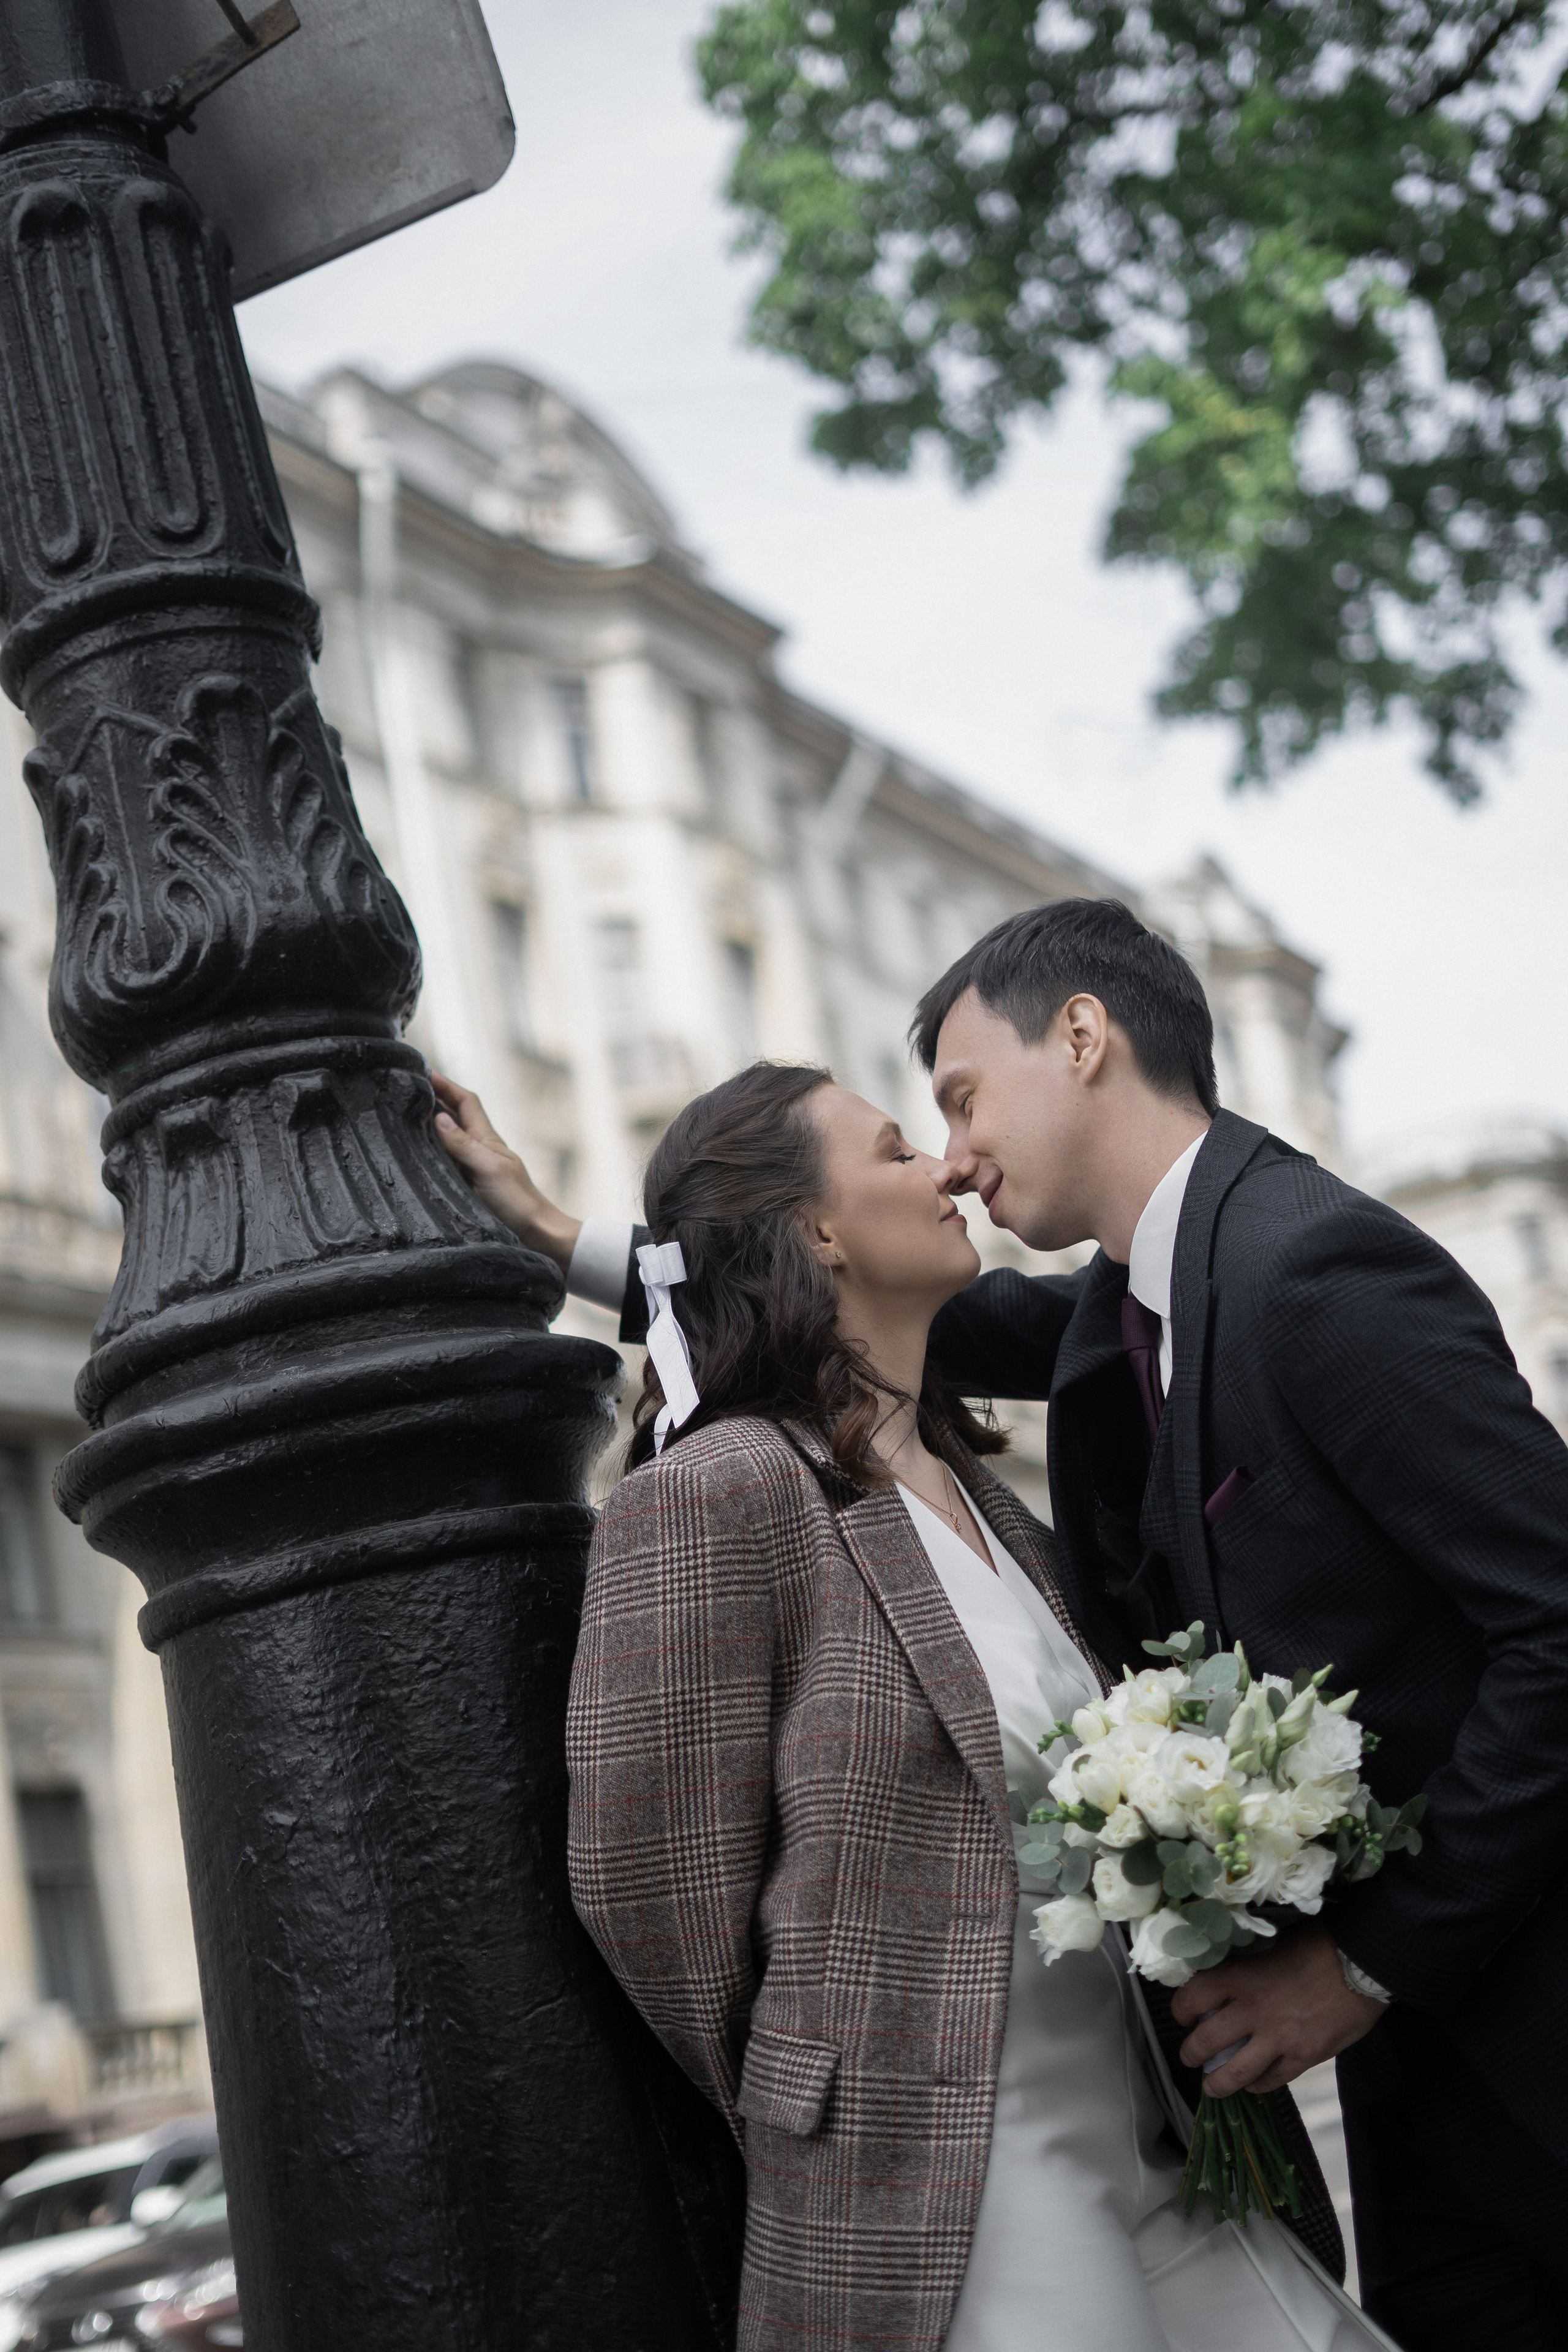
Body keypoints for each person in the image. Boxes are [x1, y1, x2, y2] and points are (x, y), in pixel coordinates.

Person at [438, 893, 1568, 2351]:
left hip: (1508, 2019)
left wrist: (1363, 1959)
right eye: (913, 1139)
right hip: (1051, 2157)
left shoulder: (1311, 1272)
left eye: (956, 1105)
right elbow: (661, 1893)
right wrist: (563, 1235)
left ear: (1082, 1039)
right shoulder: (1130, 1309)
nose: (955, 1162)